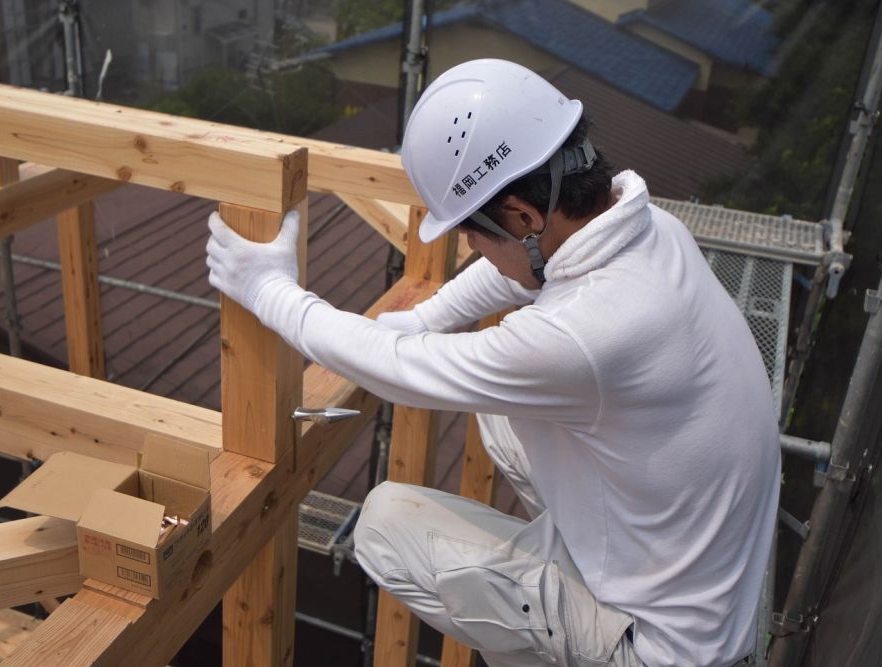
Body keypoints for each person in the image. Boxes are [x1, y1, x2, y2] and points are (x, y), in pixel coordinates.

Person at [205, 59, 780, 667]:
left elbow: (403, 372)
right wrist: (427, 316)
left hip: (664, 648)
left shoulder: (584, 334)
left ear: (525, 218)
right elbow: (516, 274)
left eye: (475, 235)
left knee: (382, 526)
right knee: (503, 416)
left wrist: (270, 293)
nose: (471, 249)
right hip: (697, 573)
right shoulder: (646, 226)